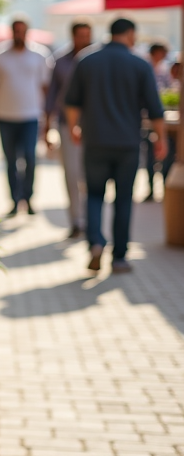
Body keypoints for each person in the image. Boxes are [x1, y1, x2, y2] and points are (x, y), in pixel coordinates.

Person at [64, 18, 166, 274]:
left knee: (95, 195)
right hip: (127, 144)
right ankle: (119, 257)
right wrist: (162, 139)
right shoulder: (140, 63)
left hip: (95, 140)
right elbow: (155, 109)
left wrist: (75, 128)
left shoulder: (87, 60)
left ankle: (96, 242)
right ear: (130, 33)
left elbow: (71, 102)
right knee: (123, 199)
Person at [0, 18, 53, 217]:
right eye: (16, 31)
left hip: (31, 116)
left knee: (30, 158)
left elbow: (46, 88)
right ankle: (14, 200)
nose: (19, 34)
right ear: (12, 32)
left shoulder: (40, 55)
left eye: (23, 31)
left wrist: (48, 117)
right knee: (10, 160)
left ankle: (28, 198)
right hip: (5, 116)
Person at [43, 21, 92, 239]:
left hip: (92, 126)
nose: (84, 40)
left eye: (87, 35)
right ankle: (76, 221)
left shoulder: (96, 60)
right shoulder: (61, 62)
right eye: (80, 35)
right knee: (72, 174)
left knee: (90, 175)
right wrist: (47, 126)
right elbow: (51, 96)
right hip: (66, 125)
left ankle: (92, 219)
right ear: (73, 36)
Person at [142, 43, 172, 200]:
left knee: (161, 156)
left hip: (156, 117)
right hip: (147, 119)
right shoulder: (144, 67)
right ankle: (152, 189)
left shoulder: (163, 70)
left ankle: (163, 188)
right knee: (150, 157)